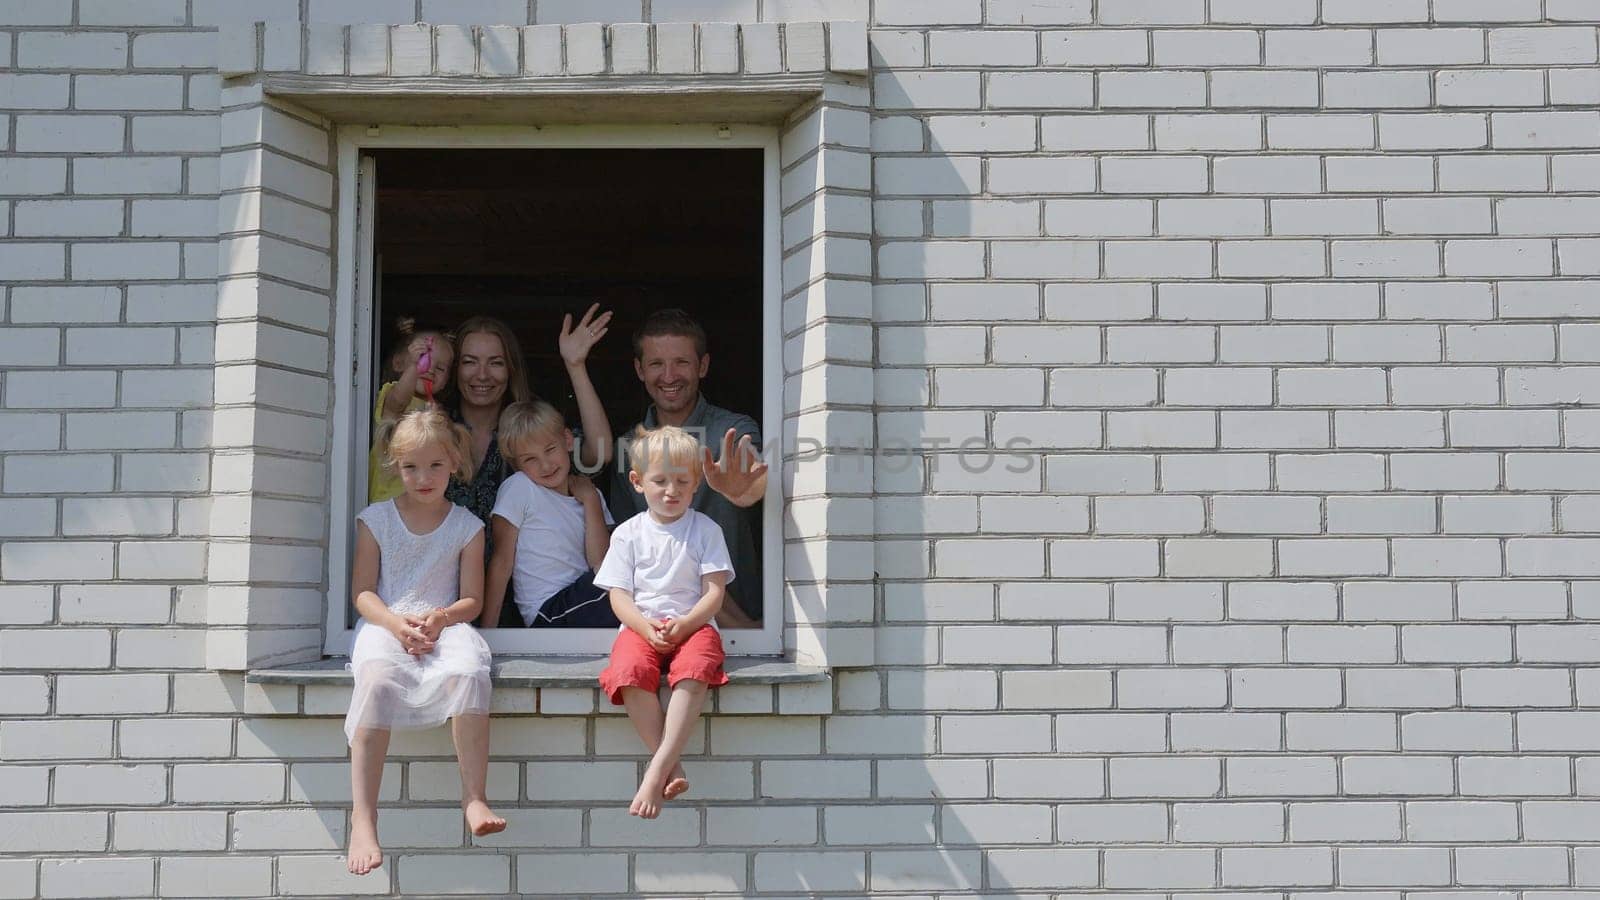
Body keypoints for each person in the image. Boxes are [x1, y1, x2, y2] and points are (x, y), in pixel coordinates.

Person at [344, 409, 505, 876]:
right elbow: (363, 593)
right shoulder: (375, 520)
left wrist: (442, 617)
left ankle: (474, 796)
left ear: (454, 462)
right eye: (412, 466)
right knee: (374, 678)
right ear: (396, 467)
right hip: (387, 621)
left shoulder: (467, 525)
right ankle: (364, 817)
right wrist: (395, 625)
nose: (424, 476)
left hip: (444, 623)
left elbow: (472, 599)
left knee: (471, 672)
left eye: (435, 465)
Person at [595, 426, 733, 819]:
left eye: (682, 482)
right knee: (627, 670)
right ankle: (670, 762)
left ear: (696, 484)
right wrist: (642, 627)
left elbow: (714, 594)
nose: (671, 491)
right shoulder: (627, 534)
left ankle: (656, 769)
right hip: (642, 626)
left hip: (693, 626)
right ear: (638, 482)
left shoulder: (706, 530)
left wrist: (687, 624)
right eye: (660, 481)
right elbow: (618, 595)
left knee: (696, 668)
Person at [445, 310, 614, 625]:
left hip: (524, 606)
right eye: (469, 362)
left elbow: (600, 451)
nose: (482, 374)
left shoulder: (528, 432)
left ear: (510, 369)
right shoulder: (438, 430)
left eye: (495, 362)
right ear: (455, 369)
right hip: (447, 597)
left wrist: (575, 366)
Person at [610, 309, 767, 628]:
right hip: (655, 623)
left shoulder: (733, 430)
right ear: (640, 369)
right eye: (656, 364)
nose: (669, 376)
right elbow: (622, 538)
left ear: (703, 366)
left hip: (740, 625)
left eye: (681, 362)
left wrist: (743, 493)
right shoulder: (627, 445)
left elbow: (756, 484)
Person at [480, 400, 617, 629]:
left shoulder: (591, 495)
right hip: (548, 612)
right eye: (530, 459)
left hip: (586, 598)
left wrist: (591, 500)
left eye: (550, 449)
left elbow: (599, 562)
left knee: (626, 575)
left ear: (567, 440)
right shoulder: (520, 488)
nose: (545, 465)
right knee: (623, 584)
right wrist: (488, 635)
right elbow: (501, 563)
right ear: (517, 465)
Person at [368, 318, 453, 503]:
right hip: (387, 500)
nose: (430, 369)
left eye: (440, 368)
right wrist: (414, 368)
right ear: (398, 363)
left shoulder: (437, 411)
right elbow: (399, 402)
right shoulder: (392, 393)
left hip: (420, 504)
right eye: (423, 359)